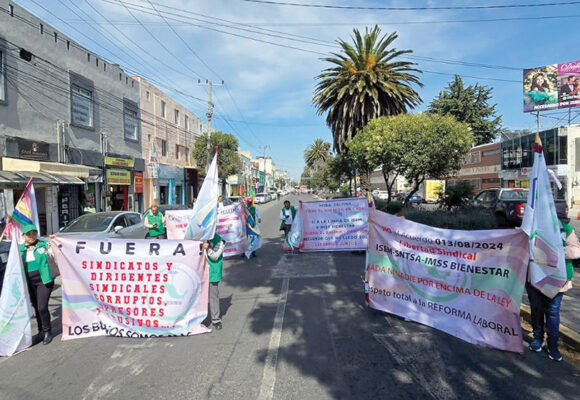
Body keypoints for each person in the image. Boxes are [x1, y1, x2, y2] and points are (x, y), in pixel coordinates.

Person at [526, 211, 579, 361]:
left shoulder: (566, 229)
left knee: (553, 312)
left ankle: (553, 345)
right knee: (536, 309)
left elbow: (575, 251)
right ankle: (538, 339)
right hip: (534, 278)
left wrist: (553, 252)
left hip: (557, 280)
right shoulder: (531, 228)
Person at [19, 224, 54, 345]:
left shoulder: (43, 244)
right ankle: (40, 332)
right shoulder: (19, 249)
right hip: (29, 282)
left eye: (34, 233)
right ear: (23, 236)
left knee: (42, 307)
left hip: (44, 280)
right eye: (28, 234)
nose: (32, 236)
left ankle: (47, 331)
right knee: (36, 307)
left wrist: (54, 241)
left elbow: (56, 248)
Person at [203, 233, 226, 330]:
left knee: (213, 295)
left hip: (213, 271)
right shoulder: (198, 238)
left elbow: (215, 256)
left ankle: (216, 319)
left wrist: (208, 248)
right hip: (200, 271)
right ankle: (197, 319)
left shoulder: (220, 241)